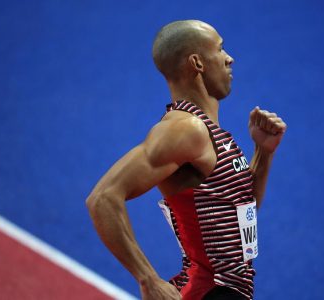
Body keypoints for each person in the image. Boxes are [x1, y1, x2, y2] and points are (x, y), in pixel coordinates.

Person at [86, 20, 287, 300]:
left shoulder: (211, 132)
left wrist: (263, 152)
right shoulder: (185, 129)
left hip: (226, 289)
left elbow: (243, 205)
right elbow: (102, 198)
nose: (230, 58)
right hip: (210, 290)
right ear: (197, 63)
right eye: (220, 49)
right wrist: (148, 279)